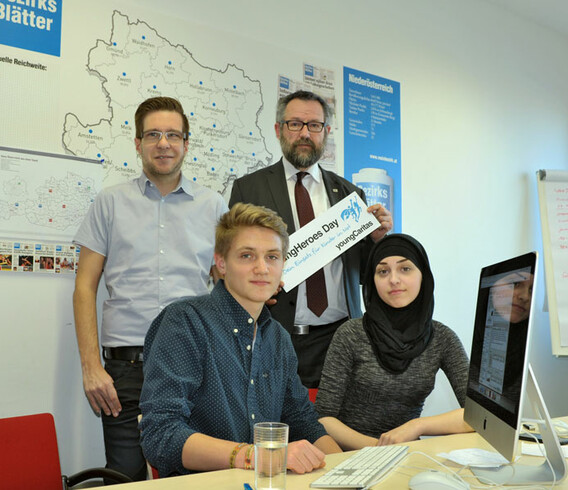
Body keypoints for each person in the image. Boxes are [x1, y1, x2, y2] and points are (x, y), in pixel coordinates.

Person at [72, 96, 227, 481]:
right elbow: (84, 286)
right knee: (124, 478)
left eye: (173, 134)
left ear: (186, 144)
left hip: (194, 366)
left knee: (190, 478)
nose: (164, 143)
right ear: (138, 142)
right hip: (125, 370)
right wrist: (91, 367)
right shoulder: (110, 202)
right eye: (153, 134)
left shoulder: (213, 206)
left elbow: (227, 286)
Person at [139, 203, 341, 477]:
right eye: (247, 256)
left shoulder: (278, 338)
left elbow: (302, 420)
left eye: (272, 257)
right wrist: (255, 456)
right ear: (221, 263)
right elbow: (161, 435)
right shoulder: (185, 322)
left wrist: (348, 468)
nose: (262, 268)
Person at [229, 90, 392, 388]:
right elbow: (234, 263)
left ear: (326, 133)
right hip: (274, 335)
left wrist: (378, 240)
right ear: (279, 130)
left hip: (341, 338)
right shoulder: (248, 189)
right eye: (295, 124)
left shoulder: (350, 195)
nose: (305, 133)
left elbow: (365, 274)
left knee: (338, 428)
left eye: (314, 125)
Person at [314, 233, 472, 450]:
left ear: (423, 275)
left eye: (405, 269)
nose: (394, 279)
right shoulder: (350, 333)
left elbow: (479, 414)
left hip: (407, 455)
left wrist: (417, 426)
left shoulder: (443, 339)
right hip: (346, 454)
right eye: (383, 271)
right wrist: (380, 449)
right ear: (373, 280)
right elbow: (324, 418)